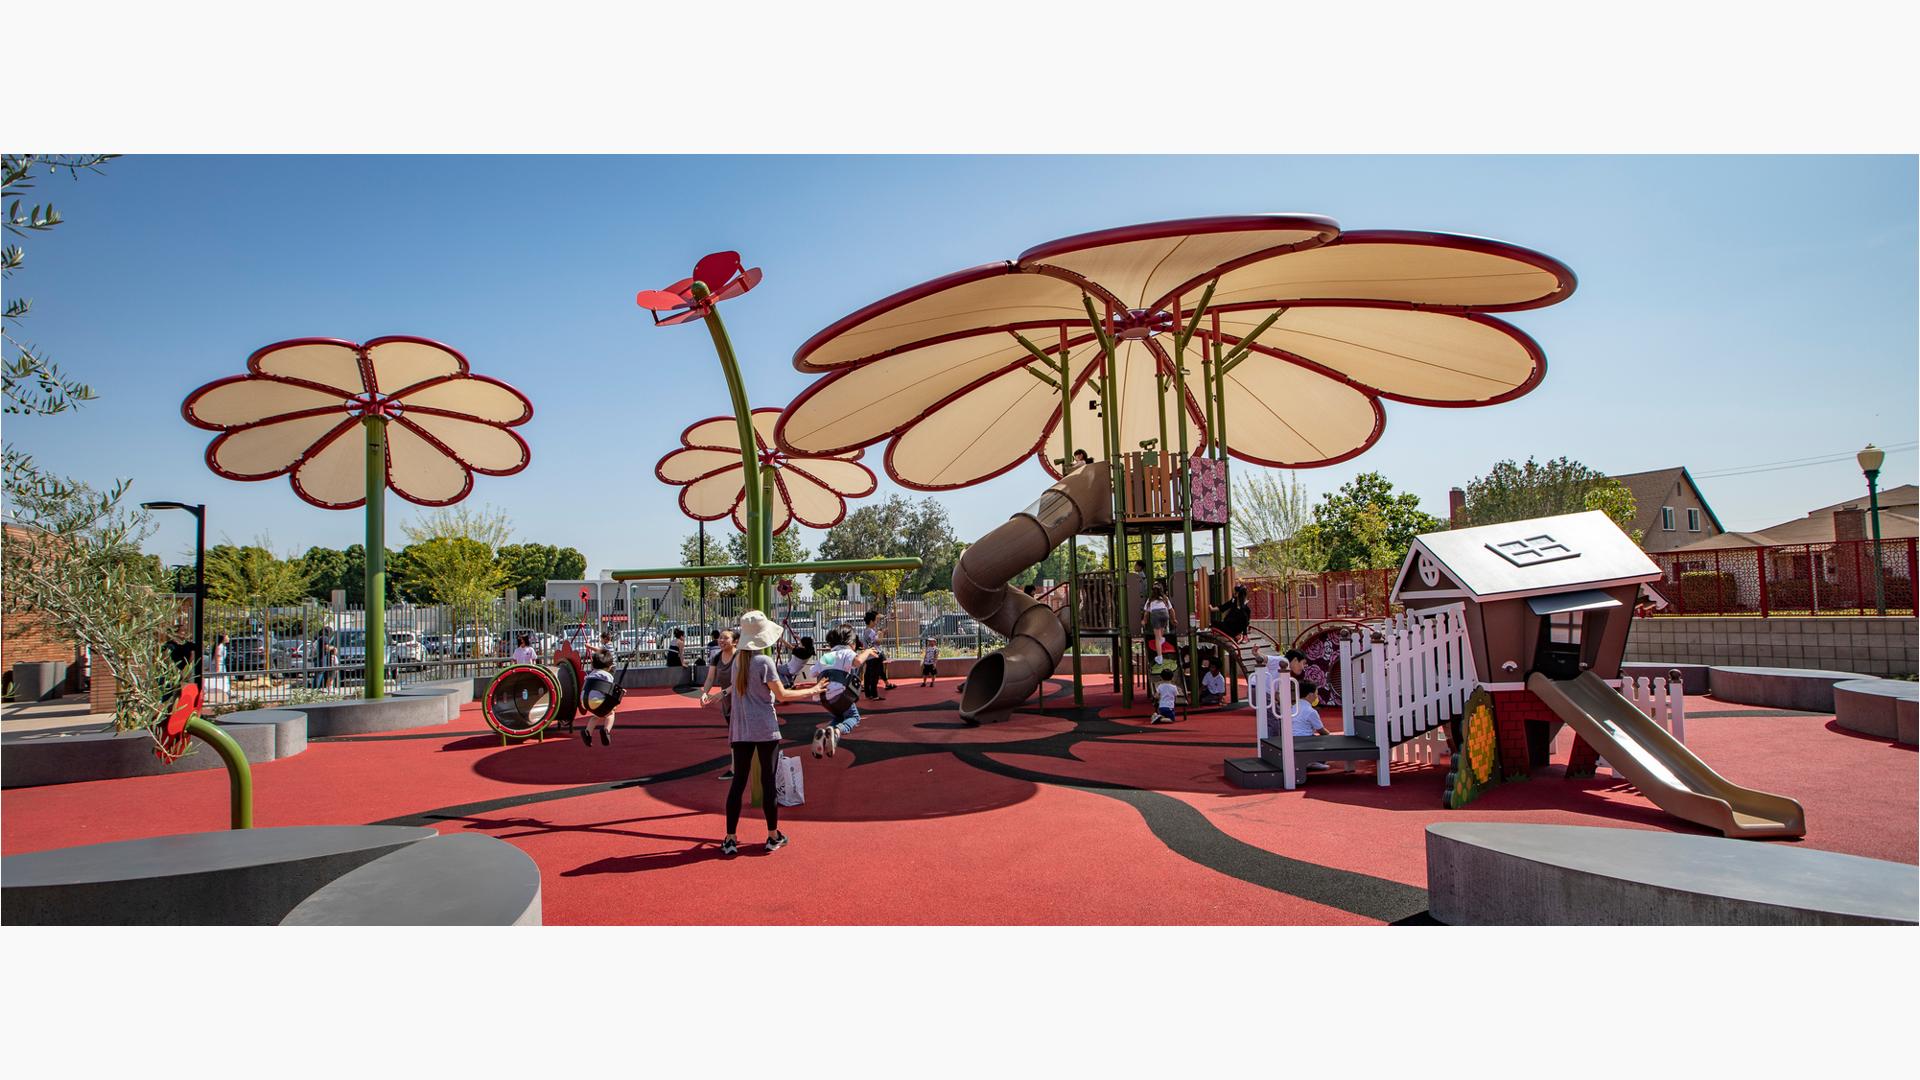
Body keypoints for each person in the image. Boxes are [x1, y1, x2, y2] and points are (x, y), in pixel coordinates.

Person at [720, 611, 826, 857]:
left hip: (741, 728)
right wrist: (814, 689)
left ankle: (730, 837)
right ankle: (772, 834)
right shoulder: (763, 663)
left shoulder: (738, 661)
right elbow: (783, 695)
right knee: (768, 782)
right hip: (765, 728)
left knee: (738, 782)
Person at [812, 627, 876, 758]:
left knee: (840, 717)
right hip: (841, 695)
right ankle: (836, 733)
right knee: (854, 717)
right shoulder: (847, 653)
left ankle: (824, 736)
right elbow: (858, 661)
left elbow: (813, 672)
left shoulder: (826, 656)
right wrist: (868, 651)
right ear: (851, 643)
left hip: (825, 699)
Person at [699, 629, 740, 779]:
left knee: (738, 735)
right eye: (720, 638)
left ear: (735, 641)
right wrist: (705, 692)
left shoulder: (739, 656)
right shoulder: (717, 657)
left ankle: (736, 768)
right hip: (728, 702)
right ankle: (737, 767)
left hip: (741, 702)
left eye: (726, 638)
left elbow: (740, 681)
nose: (721, 640)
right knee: (733, 735)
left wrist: (722, 693)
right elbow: (710, 678)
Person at [1272, 680, 1333, 771]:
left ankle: (1309, 760)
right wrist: (1332, 737)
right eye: (1316, 693)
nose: (1317, 696)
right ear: (1310, 695)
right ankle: (1313, 760)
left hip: (1290, 740)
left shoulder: (1292, 708)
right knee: (1326, 741)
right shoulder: (1311, 711)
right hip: (1306, 741)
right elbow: (1322, 731)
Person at [579, 650, 621, 746]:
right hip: (597, 701)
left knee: (597, 716)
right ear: (610, 666)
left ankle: (588, 732)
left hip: (584, 701)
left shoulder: (591, 674)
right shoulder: (608, 676)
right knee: (610, 713)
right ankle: (606, 730)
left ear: (593, 665)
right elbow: (610, 690)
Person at [855, 610, 888, 700]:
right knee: (874, 676)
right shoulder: (870, 631)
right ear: (871, 621)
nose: (876, 623)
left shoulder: (867, 631)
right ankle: (874, 695)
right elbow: (878, 642)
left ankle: (868, 694)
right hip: (874, 655)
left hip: (869, 656)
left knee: (868, 675)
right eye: (875, 621)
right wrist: (882, 634)